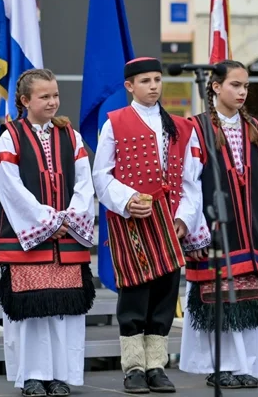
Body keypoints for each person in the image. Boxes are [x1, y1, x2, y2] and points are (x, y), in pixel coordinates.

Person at [0, 69, 96, 397]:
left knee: (64, 313)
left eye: (55, 95)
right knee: (31, 312)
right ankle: (33, 375)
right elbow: (9, 186)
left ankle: (61, 374)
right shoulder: (11, 135)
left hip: (65, 238)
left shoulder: (71, 136)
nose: (52, 102)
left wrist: (70, 217)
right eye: (44, 96)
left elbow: (84, 181)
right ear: (25, 100)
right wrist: (46, 219)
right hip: (30, 239)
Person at [178, 60, 258, 389]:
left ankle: (244, 364)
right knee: (214, 297)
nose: (242, 91)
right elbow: (189, 181)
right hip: (213, 227)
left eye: (245, 86)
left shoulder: (254, 129)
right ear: (216, 86)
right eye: (235, 85)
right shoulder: (198, 128)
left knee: (244, 297)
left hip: (246, 227)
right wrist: (196, 230)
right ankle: (217, 365)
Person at [92, 57, 190, 394]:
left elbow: (190, 180)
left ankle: (156, 366)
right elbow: (100, 175)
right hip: (133, 222)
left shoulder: (178, 125)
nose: (153, 86)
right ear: (129, 86)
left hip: (170, 224)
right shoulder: (114, 123)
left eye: (157, 80)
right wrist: (126, 199)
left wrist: (184, 217)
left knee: (165, 295)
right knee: (135, 294)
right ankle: (134, 367)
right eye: (145, 80)